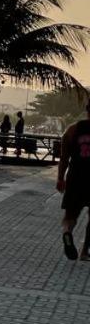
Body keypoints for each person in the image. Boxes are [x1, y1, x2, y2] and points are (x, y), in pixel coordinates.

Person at [56, 98, 90, 260]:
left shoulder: (72, 130)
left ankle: (67, 232)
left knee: (70, 216)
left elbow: (63, 158)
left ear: (87, 109)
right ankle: (84, 252)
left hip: (75, 177)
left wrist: (60, 179)